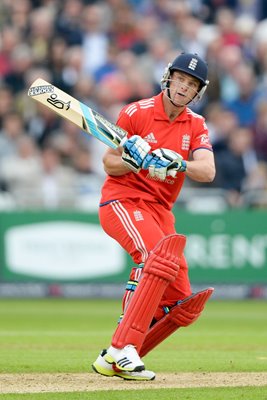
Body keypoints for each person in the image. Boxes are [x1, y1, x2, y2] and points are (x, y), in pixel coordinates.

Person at [92, 52, 216, 380]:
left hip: (161, 211)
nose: (183, 87)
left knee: (180, 301)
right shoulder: (136, 112)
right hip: (123, 200)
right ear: (168, 77)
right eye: (180, 78)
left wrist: (178, 162)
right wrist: (137, 161)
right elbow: (109, 163)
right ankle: (124, 346)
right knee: (154, 258)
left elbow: (208, 171)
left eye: (191, 84)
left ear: (197, 92)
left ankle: (114, 357)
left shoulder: (196, 124)